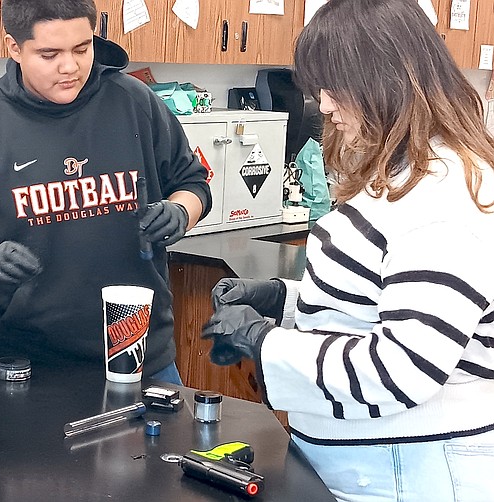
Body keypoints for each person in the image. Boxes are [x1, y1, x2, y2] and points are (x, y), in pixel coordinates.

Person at [202, 0, 494, 500]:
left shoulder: (443, 197)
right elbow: (379, 300)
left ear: (382, 79)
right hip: (376, 460)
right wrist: (285, 299)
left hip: (411, 468)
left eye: (330, 87)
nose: (323, 104)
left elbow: (404, 366)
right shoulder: (409, 173)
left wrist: (264, 339)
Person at [0, 0, 211, 385]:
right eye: (49, 54)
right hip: (24, 366)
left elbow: (193, 182)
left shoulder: (135, 102)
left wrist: (181, 211)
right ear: (14, 47)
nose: (70, 67)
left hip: (141, 354)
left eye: (82, 49)